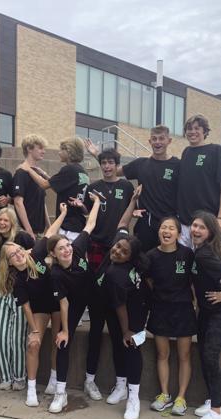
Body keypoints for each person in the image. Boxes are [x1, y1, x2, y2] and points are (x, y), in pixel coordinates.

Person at [72, 148, 134, 400]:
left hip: (117, 253)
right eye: (104, 163)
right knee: (96, 325)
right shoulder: (93, 187)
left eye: (111, 163)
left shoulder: (127, 187)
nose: (107, 166)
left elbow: (132, 213)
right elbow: (89, 217)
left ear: (117, 165)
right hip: (96, 251)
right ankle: (89, 380)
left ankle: (121, 383)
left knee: (118, 326)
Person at [0, 203, 68, 406]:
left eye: (19, 249)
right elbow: (26, 307)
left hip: (57, 301)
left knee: (58, 340)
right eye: (13, 255)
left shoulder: (36, 254)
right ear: (9, 262)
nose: (19, 254)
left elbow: (51, 231)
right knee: (33, 344)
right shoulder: (17, 280)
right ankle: (31, 388)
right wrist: (35, 330)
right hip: (39, 308)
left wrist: (62, 213)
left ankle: (54, 379)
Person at [46, 192, 101, 413]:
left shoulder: (77, 249)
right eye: (61, 248)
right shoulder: (57, 275)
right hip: (74, 303)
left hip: (95, 295)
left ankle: (90, 380)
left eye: (67, 245)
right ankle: (61, 392)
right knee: (62, 342)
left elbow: (90, 224)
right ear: (54, 254)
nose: (67, 249)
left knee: (96, 334)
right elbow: (65, 304)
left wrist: (96, 202)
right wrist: (66, 331)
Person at [86, 126, 179, 252]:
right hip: (146, 226)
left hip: (168, 226)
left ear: (169, 141)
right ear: (149, 141)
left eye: (161, 138)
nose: (157, 142)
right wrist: (98, 154)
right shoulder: (140, 164)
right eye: (154, 139)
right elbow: (114, 170)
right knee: (143, 264)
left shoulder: (177, 165)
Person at [92, 229, 149, 419]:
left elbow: (121, 305)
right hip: (114, 313)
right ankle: (121, 386)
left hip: (131, 317)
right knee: (118, 346)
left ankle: (134, 397)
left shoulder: (116, 273)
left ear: (130, 258)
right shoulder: (114, 263)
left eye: (124, 252)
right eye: (117, 246)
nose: (117, 251)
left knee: (132, 349)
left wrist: (128, 331)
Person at [190, 210, 221, 419]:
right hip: (207, 312)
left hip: (220, 313)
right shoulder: (201, 250)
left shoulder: (204, 254)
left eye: (201, 227)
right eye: (194, 226)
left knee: (210, 358)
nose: (196, 230)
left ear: (210, 232)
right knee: (203, 355)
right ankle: (212, 400)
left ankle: (217, 412)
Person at [145, 215, 196, 416]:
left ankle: (181, 397)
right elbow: (149, 280)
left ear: (178, 233)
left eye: (171, 228)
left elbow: (192, 282)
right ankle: (164, 394)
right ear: (159, 232)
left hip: (183, 309)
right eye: (163, 228)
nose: (166, 231)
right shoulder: (150, 256)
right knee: (162, 354)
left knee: (184, 355)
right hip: (160, 309)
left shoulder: (187, 254)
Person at [17, 137, 89, 242]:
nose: (59, 153)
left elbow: (44, 185)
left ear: (69, 151)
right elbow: (59, 188)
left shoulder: (68, 169)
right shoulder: (82, 172)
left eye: (61, 150)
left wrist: (27, 168)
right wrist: (44, 174)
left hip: (67, 226)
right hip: (78, 224)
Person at [178, 115, 221, 244]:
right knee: (184, 262)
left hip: (206, 222)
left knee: (205, 261)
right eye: (189, 128)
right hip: (185, 222)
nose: (192, 132)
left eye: (197, 128)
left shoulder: (216, 150)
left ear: (205, 131)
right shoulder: (186, 152)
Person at [13, 134, 51, 239]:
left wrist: (49, 227)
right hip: (27, 232)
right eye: (40, 148)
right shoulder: (21, 172)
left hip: (40, 233)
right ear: (29, 149)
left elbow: (42, 203)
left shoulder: (38, 174)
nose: (44, 151)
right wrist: (29, 231)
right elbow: (18, 202)